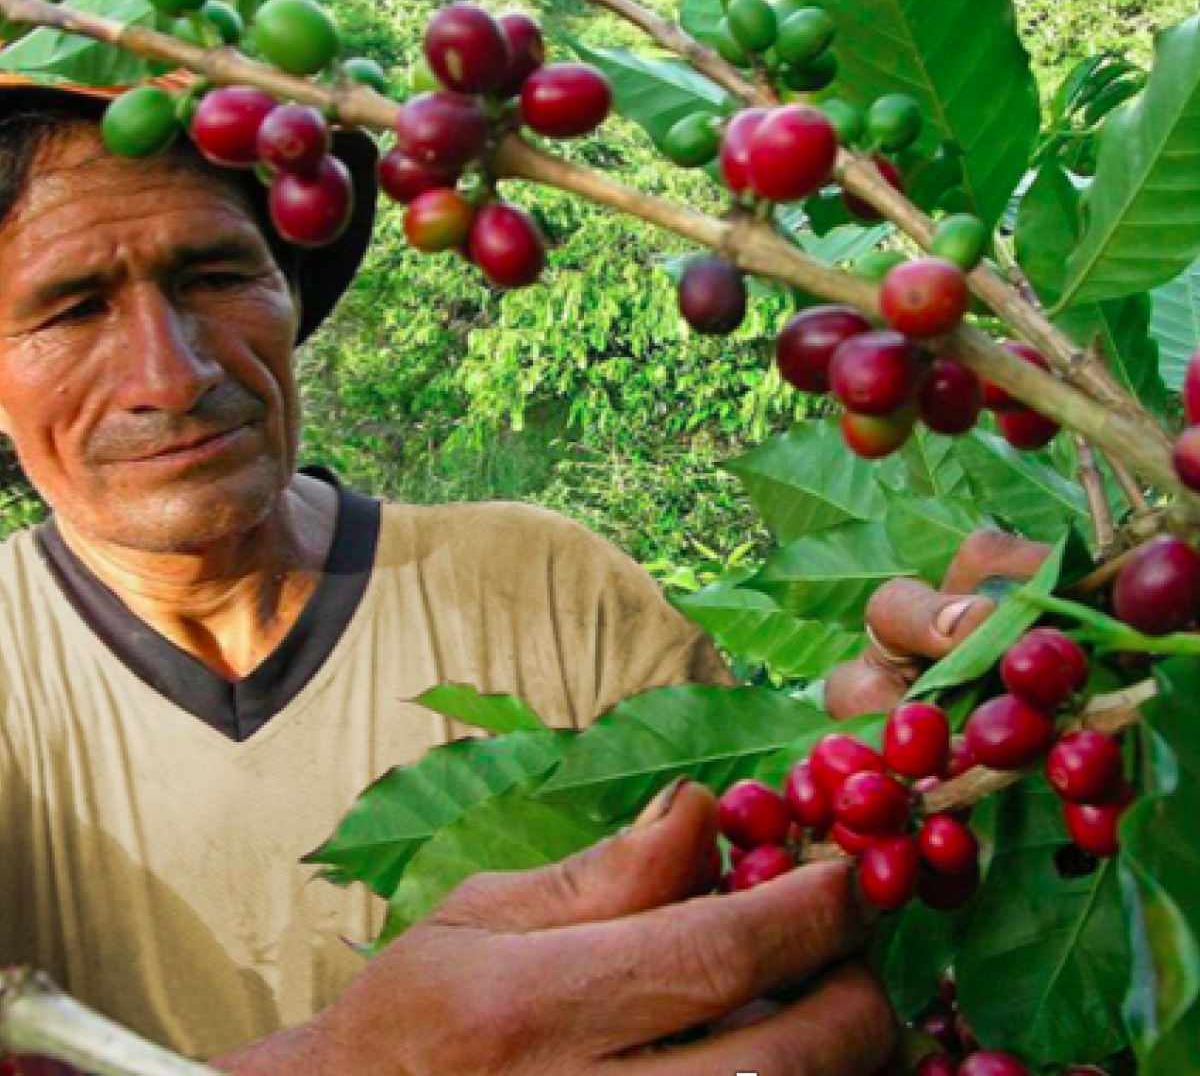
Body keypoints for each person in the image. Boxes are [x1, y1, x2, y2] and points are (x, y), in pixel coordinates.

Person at [0, 75, 1042, 1075]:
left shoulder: (540, 581)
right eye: (70, 310)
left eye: (217, 277)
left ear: (288, 291)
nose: (173, 375)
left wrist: (892, 744)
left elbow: (757, 891)